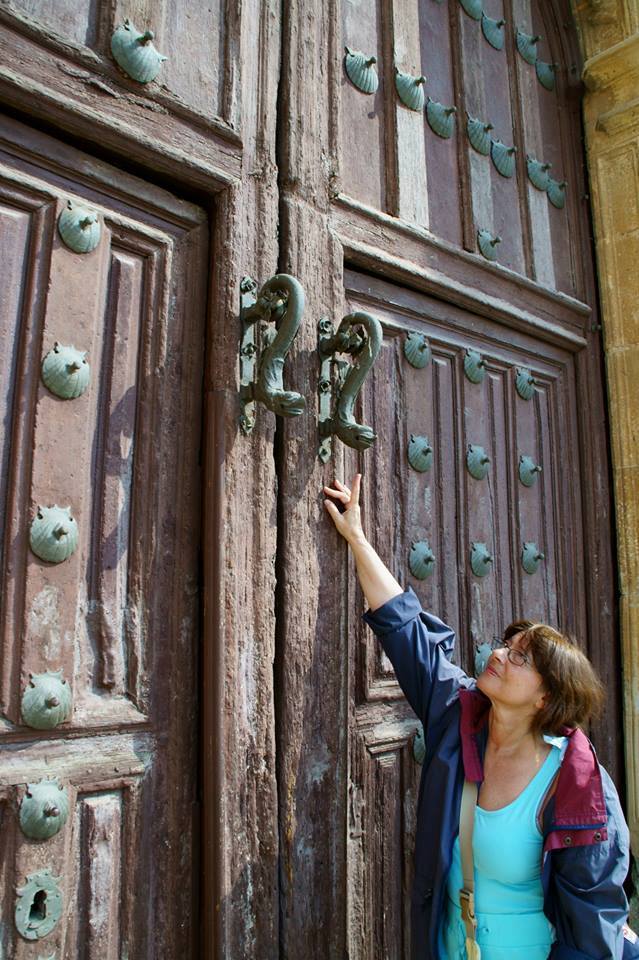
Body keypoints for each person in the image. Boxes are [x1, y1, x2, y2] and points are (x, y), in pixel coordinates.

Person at [323, 473, 639, 960]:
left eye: (520, 658)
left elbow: (593, 928)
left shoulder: (579, 788)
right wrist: (357, 538)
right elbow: (405, 631)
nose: (498, 654)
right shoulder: (459, 714)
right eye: (506, 645)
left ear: (546, 699)